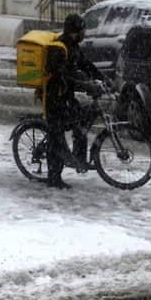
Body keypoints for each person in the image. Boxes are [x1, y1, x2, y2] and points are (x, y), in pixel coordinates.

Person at [43, 13, 108, 189]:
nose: (85, 33)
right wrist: (85, 86)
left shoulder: (73, 47)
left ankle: (78, 159)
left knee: (83, 120)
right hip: (54, 100)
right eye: (83, 30)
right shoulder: (59, 49)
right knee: (56, 138)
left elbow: (86, 65)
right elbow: (61, 77)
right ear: (75, 31)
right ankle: (53, 178)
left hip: (66, 98)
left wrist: (103, 79)